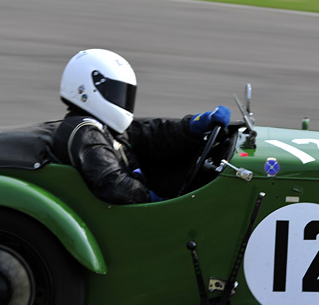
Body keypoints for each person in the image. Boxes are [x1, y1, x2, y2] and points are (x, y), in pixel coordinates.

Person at [51, 49, 230, 204]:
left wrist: (194, 125)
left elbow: (149, 134)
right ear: (85, 89)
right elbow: (114, 184)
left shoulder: (103, 128)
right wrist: (157, 202)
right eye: (116, 91)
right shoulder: (84, 131)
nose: (122, 99)